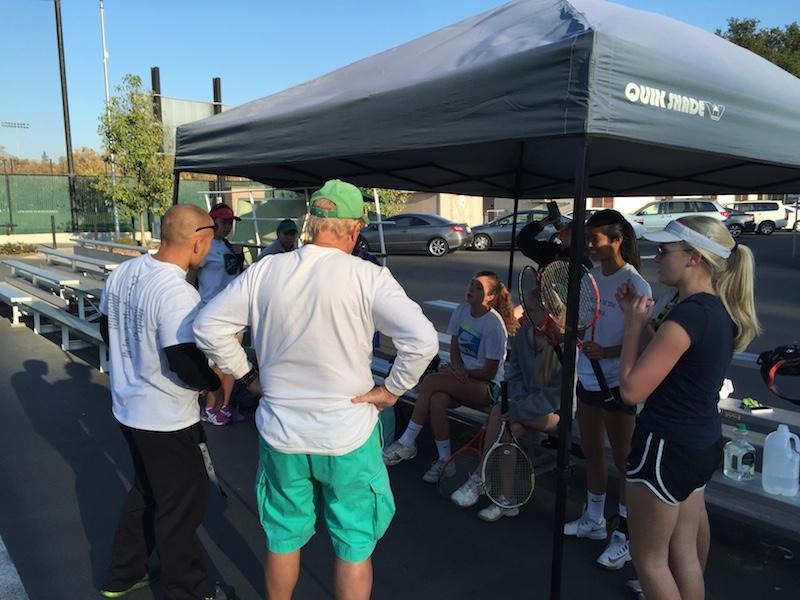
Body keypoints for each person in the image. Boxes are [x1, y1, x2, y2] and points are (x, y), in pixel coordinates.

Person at [193, 179, 439, 600]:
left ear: (311, 224)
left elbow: (207, 325)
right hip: (347, 433)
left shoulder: (268, 269)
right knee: (354, 544)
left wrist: (247, 375)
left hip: (282, 433)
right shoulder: (368, 276)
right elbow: (423, 341)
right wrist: (391, 390)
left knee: (283, 537)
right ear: (355, 228)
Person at [616, 216, 759, 600]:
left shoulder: (688, 315)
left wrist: (632, 326)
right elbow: (666, 356)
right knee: (684, 556)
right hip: (698, 443)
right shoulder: (715, 310)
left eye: (664, 250)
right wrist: (640, 321)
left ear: (694, 257)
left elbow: (631, 390)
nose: (656, 257)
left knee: (650, 561)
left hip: (665, 445)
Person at [98, 204, 232, 600]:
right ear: (198, 242)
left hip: (129, 407)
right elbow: (183, 360)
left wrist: (135, 363)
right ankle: (191, 590)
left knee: (148, 490)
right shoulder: (178, 292)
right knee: (181, 506)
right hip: (165, 418)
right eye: (209, 243)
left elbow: (106, 327)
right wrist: (212, 385)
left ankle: (123, 574)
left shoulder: (125, 271)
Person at [563, 209, 651, 572]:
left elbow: (644, 343)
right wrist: (575, 334)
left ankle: (625, 534)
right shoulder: (591, 278)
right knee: (592, 450)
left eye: (595, 239)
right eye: (587, 239)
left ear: (617, 240)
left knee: (624, 458)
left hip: (617, 382)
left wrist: (608, 352)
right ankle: (594, 519)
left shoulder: (636, 284)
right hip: (587, 378)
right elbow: (585, 323)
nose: (589, 246)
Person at [382, 271, 518, 482]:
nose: (471, 289)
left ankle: (407, 442)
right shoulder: (461, 311)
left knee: (430, 381)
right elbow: (455, 349)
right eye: (471, 284)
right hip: (462, 380)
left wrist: (461, 372)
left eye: (479, 287)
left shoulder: (493, 324)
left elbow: (490, 372)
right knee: (437, 400)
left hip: (487, 387)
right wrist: (456, 368)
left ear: (491, 296)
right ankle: (446, 461)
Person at [450, 288, 562, 521]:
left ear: (547, 313)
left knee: (502, 417)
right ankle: (505, 498)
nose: (523, 314)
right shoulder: (524, 334)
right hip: (526, 406)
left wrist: (517, 408)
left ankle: (481, 478)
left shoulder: (564, 344)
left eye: (530, 310)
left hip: (558, 414)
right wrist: (516, 399)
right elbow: (515, 373)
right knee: (508, 426)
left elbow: (556, 397)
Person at [193, 203, 246, 426]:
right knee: (219, 362)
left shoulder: (228, 246)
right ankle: (210, 407)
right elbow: (191, 275)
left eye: (230, 222)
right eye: (224, 222)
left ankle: (224, 405)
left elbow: (236, 276)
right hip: (212, 311)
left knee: (233, 361)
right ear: (213, 222)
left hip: (234, 312)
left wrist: (240, 258)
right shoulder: (205, 248)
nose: (228, 226)